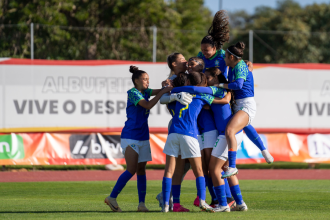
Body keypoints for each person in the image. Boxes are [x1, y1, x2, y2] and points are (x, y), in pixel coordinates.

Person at [198, 10, 273, 165]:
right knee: (241, 124)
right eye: (202, 49)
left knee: (238, 125)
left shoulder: (222, 55)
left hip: (225, 92)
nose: (204, 52)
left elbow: (236, 61)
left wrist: (247, 63)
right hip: (212, 91)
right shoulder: (200, 57)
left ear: (214, 48)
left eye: (207, 50)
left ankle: (261, 150)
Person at [104, 66, 172, 212]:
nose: (147, 82)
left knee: (141, 170)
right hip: (130, 136)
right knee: (131, 169)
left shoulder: (145, 91)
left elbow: (158, 91)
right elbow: (148, 104)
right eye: (145, 79)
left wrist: (164, 86)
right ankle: (112, 197)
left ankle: (141, 204)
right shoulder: (133, 93)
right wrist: (162, 92)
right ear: (136, 81)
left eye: (148, 79)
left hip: (143, 136)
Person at [162, 71, 215, 213]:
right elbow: (215, 102)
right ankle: (203, 202)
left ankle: (169, 205)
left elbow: (164, 99)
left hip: (173, 134)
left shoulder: (175, 96)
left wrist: (168, 88)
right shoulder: (201, 96)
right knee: (199, 171)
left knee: (171, 171)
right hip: (189, 134)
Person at [205, 67, 248, 212]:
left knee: (214, 169)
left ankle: (223, 204)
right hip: (235, 133)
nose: (206, 81)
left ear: (215, 78)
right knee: (226, 169)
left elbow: (223, 100)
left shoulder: (215, 90)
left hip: (226, 134)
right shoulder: (222, 90)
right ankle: (240, 202)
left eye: (208, 78)